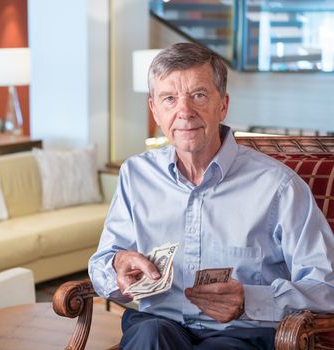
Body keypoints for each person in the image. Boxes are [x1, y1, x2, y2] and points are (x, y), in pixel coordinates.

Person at [89, 42, 334, 350]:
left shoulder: (279, 185)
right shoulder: (135, 175)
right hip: (159, 326)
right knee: (149, 336)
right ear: (154, 109)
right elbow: (101, 264)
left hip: (242, 334)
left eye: (199, 95)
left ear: (223, 104)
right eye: (169, 99)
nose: (184, 112)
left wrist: (251, 300)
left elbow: (326, 287)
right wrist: (118, 267)